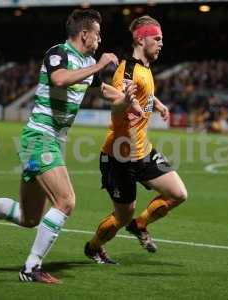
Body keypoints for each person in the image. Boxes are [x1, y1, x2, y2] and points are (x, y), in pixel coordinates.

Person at [0, 9, 139, 284]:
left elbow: (110, 96)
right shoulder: (60, 53)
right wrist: (100, 65)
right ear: (85, 34)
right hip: (39, 138)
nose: (100, 40)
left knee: (29, 217)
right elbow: (59, 79)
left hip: (48, 141)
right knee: (66, 202)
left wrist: (127, 99)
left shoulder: (86, 63)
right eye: (98, 34)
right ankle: (31, 267)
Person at [84, 15, 188, 264]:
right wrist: (126, 103)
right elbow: (116, 108)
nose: (162, 43)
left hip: (143, 150)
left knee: (178, 193)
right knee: (122, 215)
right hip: (119, 156)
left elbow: (144, 93)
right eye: (157, 38)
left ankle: (139, 225)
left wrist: (158, 104)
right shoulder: (126, 71)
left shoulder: (145, 67)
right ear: (141, 39)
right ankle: (94, 246)